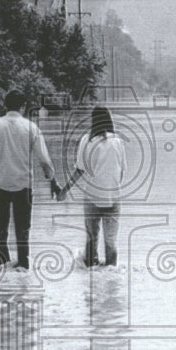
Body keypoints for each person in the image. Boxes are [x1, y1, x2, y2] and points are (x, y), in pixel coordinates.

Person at [0, 89, 60, 270]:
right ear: (23, 107)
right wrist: (53, 182)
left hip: (0, 185)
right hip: (23, 186)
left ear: (6, 106)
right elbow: (44, 159)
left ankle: (0, 260)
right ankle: (23, 263)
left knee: (1, 227)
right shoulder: (30, 128)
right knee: (23, 229)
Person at [57, 106, 127, 267]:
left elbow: (80, 170)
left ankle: (91, 275)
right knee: (111, 241)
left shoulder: (87, 140)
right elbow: (122, 172)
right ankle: (112, 278)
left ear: (93, 121)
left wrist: (64, 191)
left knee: (91, 238)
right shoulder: (118, 141)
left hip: (92, 197)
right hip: (114, 196)